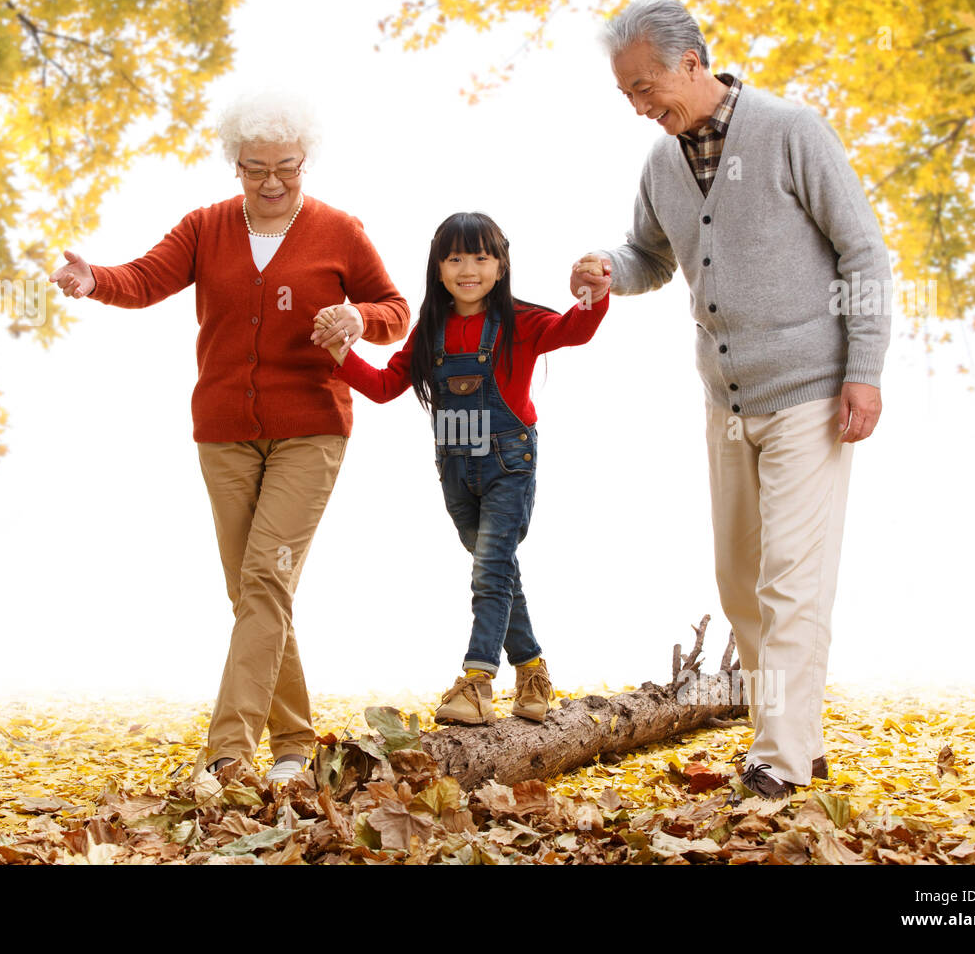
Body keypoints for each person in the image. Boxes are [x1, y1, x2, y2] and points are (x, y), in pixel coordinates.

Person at [572, 0, 892, 799]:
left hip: (809, 393)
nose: (642, 108)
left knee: (791, 578)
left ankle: (777, 759)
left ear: (692, 61)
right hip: (727, 402)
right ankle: (799, 740)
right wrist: (610, 268)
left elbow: (863, 252)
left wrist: (866, 368)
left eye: (647, 87)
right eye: (628, 96)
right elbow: (649, 255)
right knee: (740, 580)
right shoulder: (661, 162)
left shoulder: (791, 133)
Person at [49, 91, 409, 785]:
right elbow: (145, 278)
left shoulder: (339, 230)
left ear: (306, 161)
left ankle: (229, 752)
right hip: (223, 434)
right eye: (254, 168)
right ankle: (296, 748)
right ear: (234, 164)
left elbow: (395, 310)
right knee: (253, 593)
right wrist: (93, 279)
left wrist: (359, 318)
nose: (271, 182)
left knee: (264, 580)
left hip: (310, 429)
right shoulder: (206, 227)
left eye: (286, 167)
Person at [314, 211, 610, 726]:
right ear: (438, 267)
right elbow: (386, 387)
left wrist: (592, 293)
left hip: (507, 467)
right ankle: (534, 670)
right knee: (496, 570)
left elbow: (574, 330)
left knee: (488, 571)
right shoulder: (430, 330)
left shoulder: (519, 322)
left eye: (480, 256)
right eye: (454, 258)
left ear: (501, 265)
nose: (467, 268)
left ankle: (477, 683)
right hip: (454, 470)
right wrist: (341, 353)